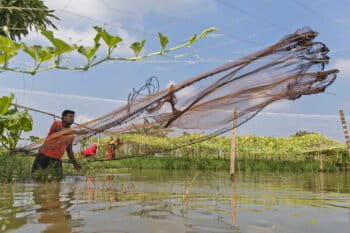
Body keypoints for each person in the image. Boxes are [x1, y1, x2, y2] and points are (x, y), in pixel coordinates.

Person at [32, 110, 81, 179]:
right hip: (43, 156)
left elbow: (69, 151)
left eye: (73, 117)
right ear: (63, 117)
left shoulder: (71, 135)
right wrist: (78, 131)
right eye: (70, 116)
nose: (72, 119)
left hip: (56, 159)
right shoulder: (57, 124)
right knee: (36, 177)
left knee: (57, 180)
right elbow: (60, 130)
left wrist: (75, 163)